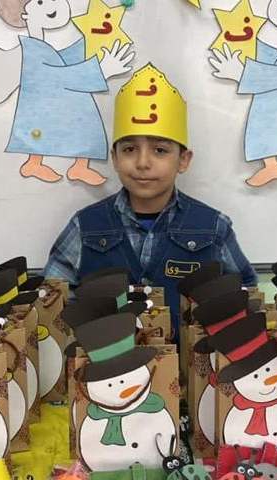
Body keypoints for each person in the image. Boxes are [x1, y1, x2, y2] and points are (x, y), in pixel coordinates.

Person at [43, 63, 257, 335]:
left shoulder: (213, 227)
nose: (143, 163)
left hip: (189, 362)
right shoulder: (84, 226)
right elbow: (52, 301)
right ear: (115, 158)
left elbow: (244, 294)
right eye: (130, 149)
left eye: (160, 150)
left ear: (183, 160)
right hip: (102, 362)